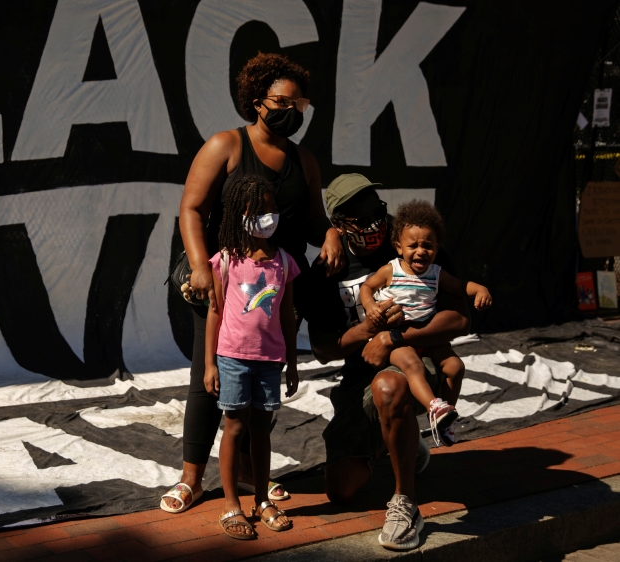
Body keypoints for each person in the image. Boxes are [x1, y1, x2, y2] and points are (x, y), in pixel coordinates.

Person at [161, 52, 344, 513]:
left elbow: (313, 220)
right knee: (213, 379)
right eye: (283, 102)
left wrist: (331, 233)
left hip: (272, 286)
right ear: (257, 101)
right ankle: (191, 478)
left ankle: (245, 472)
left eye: (299, 104)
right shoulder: (226, 145)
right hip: (221, 280)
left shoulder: (304, 161)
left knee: (260, 378)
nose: (292, 112)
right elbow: (191, 209)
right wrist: (202, 266)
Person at [305, 174, 471, 551]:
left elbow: (461, 318)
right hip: (359, 373)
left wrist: (393, 337)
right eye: (360, 220)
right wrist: (368, 328)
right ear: (340, 226)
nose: (373, 226)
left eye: (377, 214)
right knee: (342, 489)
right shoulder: (329, 269)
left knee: (389, 385)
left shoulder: (415, 242)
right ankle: (402, 444)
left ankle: (405, 504)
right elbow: (324, 349)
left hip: (417, 362)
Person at [204, 176, 299, 539]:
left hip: (270, 360)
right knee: (235, 426)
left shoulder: (285, 264)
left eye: (271, 209)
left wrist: (291, 362)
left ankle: (261, 499)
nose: (266, 217)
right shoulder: (226, 260)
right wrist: (210, 363)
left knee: (262, 428)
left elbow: (288, 316)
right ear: (238, 215)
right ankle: (231, 504)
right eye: (257, 211)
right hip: (232, 358)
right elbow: (214, 311)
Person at [359, 201, 492, 446]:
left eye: (428, 246)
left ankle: (446, 419)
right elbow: (367, 287)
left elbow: (461, 287)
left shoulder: (437, 273)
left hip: (425, 337)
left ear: (437, 247)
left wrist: (480, 289)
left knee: (455, 366)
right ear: (399, 247)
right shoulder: (391, 270)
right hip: (399, 339)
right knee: (413, 367)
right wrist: (370, 306)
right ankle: (434, 406)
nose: (421, 251)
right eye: (413, 245)